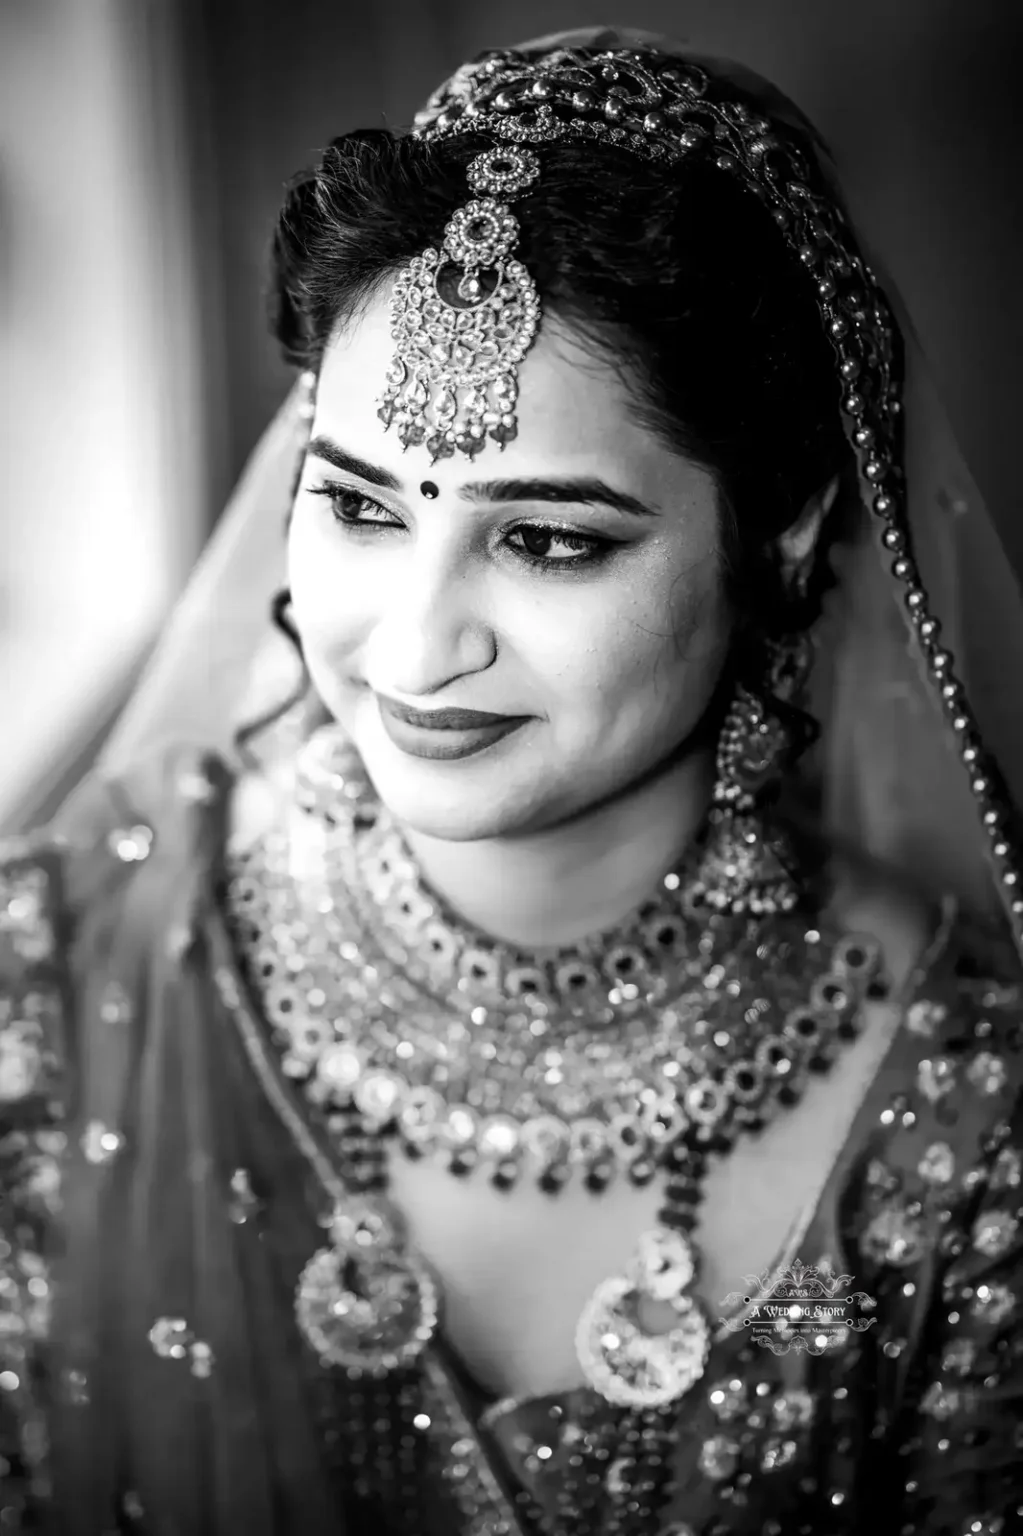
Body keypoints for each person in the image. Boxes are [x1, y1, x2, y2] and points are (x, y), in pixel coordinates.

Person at [1, 25, 1021, 1536]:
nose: (412, 644)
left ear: (784, 532)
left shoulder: (965, 1111)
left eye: (547, 538)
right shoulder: (56, 972)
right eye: (356, 504)